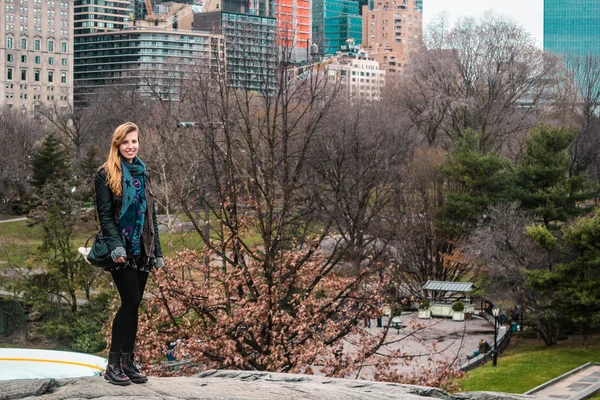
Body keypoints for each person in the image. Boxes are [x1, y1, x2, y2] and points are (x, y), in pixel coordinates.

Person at [95, 122, 164, 385]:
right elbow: (105, 216)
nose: (131, 146)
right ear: (117, 145)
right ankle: (113, 365)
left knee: (134, 305)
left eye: (134, 141)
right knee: (130, 300)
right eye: (126, 142)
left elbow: (151, 215)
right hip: (120, 249)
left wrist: (157, 251)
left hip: (142, 249)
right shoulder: (104, 174)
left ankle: (127, 362)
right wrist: (116, 247)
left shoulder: (143, 173)